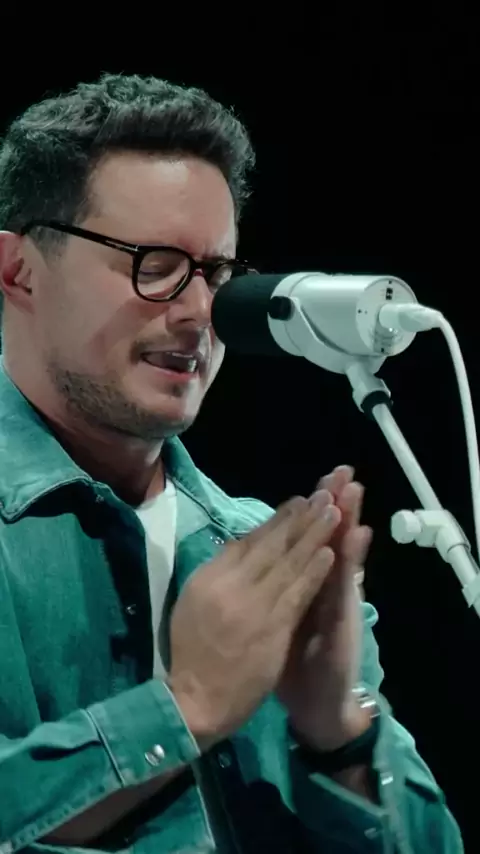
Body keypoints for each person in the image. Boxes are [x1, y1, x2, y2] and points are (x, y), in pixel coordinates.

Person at [0, 73, 462, 854]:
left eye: (215, 273)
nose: (196, 313)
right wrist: (184, 708)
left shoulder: (267, 556)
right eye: (154, 263)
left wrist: (338, 736)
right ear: (19, 271)